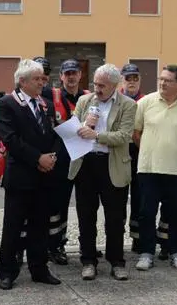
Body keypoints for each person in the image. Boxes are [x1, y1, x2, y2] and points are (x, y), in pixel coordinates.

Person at [0, 59, 66, 290]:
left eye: (43, 79)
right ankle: (7, 271)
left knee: (40, 225)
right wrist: (38, 158)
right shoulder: (7, 104)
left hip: (44, 176)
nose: (41, 83)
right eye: (37, 79)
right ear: (22, 81)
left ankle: (39, 268)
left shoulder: (45, 103)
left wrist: (52, 157)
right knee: (13, 226)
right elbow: (10, 139)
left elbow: (55, 134)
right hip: (21, 176)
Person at [68, 64, 136, 281]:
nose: (97, 89)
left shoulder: (128, 105)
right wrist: (79, 130)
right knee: (85, 215)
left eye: (102, 85)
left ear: (115, 85)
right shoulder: (84, 101)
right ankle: (88, 261)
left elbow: (124, 136)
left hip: (112, 164)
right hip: (86, 164)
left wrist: (96, 136)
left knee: (115, 217)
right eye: (95, 84)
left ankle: (117, 261)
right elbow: (73, 128)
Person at [133, 64, 177, 273]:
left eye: (168, 80)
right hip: (149, 168)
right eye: (161, 79)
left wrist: (174, 151)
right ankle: (146, 253)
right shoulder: (145, 103)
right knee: (146, 212)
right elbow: (136, 134)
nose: (162, 83)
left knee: (176, 214)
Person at [48, 58, 88, 265]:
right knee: (58, 205)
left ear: (80, 75)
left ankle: (87, 245)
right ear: (61, 76)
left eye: (75, 73)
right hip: (62, 160)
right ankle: (55, 245)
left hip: (84, 159)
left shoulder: (89, 97)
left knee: (86, 205)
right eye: (67, 73)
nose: (71, 77)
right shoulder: (51, 95)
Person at [119, 63, 145, 252]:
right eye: (128, 78)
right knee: (117, 198)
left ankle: (138, 238)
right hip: (118, 151)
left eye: (135, 78)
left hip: (139, 152)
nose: (132, 82)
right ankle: (116, 238)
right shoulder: (116, 99)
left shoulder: (147, 100)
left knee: (139, 197)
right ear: (122, 80)